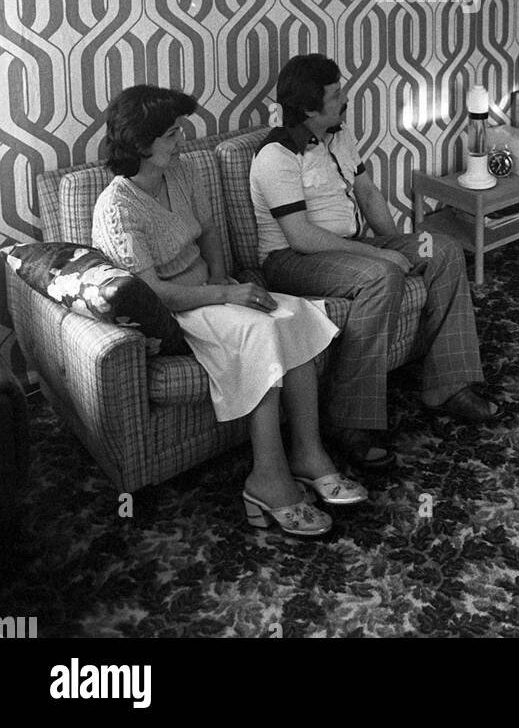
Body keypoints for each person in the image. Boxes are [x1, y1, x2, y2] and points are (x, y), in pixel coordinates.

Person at [92, 85, 368, 539]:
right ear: (141, 145)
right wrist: (224, 297)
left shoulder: (179, 172)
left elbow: (210, 233)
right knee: (260, 333)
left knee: (293, 316)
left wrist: (225, 280)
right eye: (171, 133)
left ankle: (309, 453)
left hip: (211, 291)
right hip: (180, 311)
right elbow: (155, 293)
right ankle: (267, 479)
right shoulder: (116, 208)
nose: (181, 139)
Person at [249, 55, 502, 471]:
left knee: (442, 248)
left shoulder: (339, 136)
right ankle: (347, 420)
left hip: (347, 249)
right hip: (291, 260)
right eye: (336, 95)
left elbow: (367, 194)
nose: (345, 100)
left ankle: (448, 385)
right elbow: (301, 236)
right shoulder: (275, 156)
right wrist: (379, 253)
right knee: (381, 274)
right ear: (310, 108)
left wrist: (399, 242)